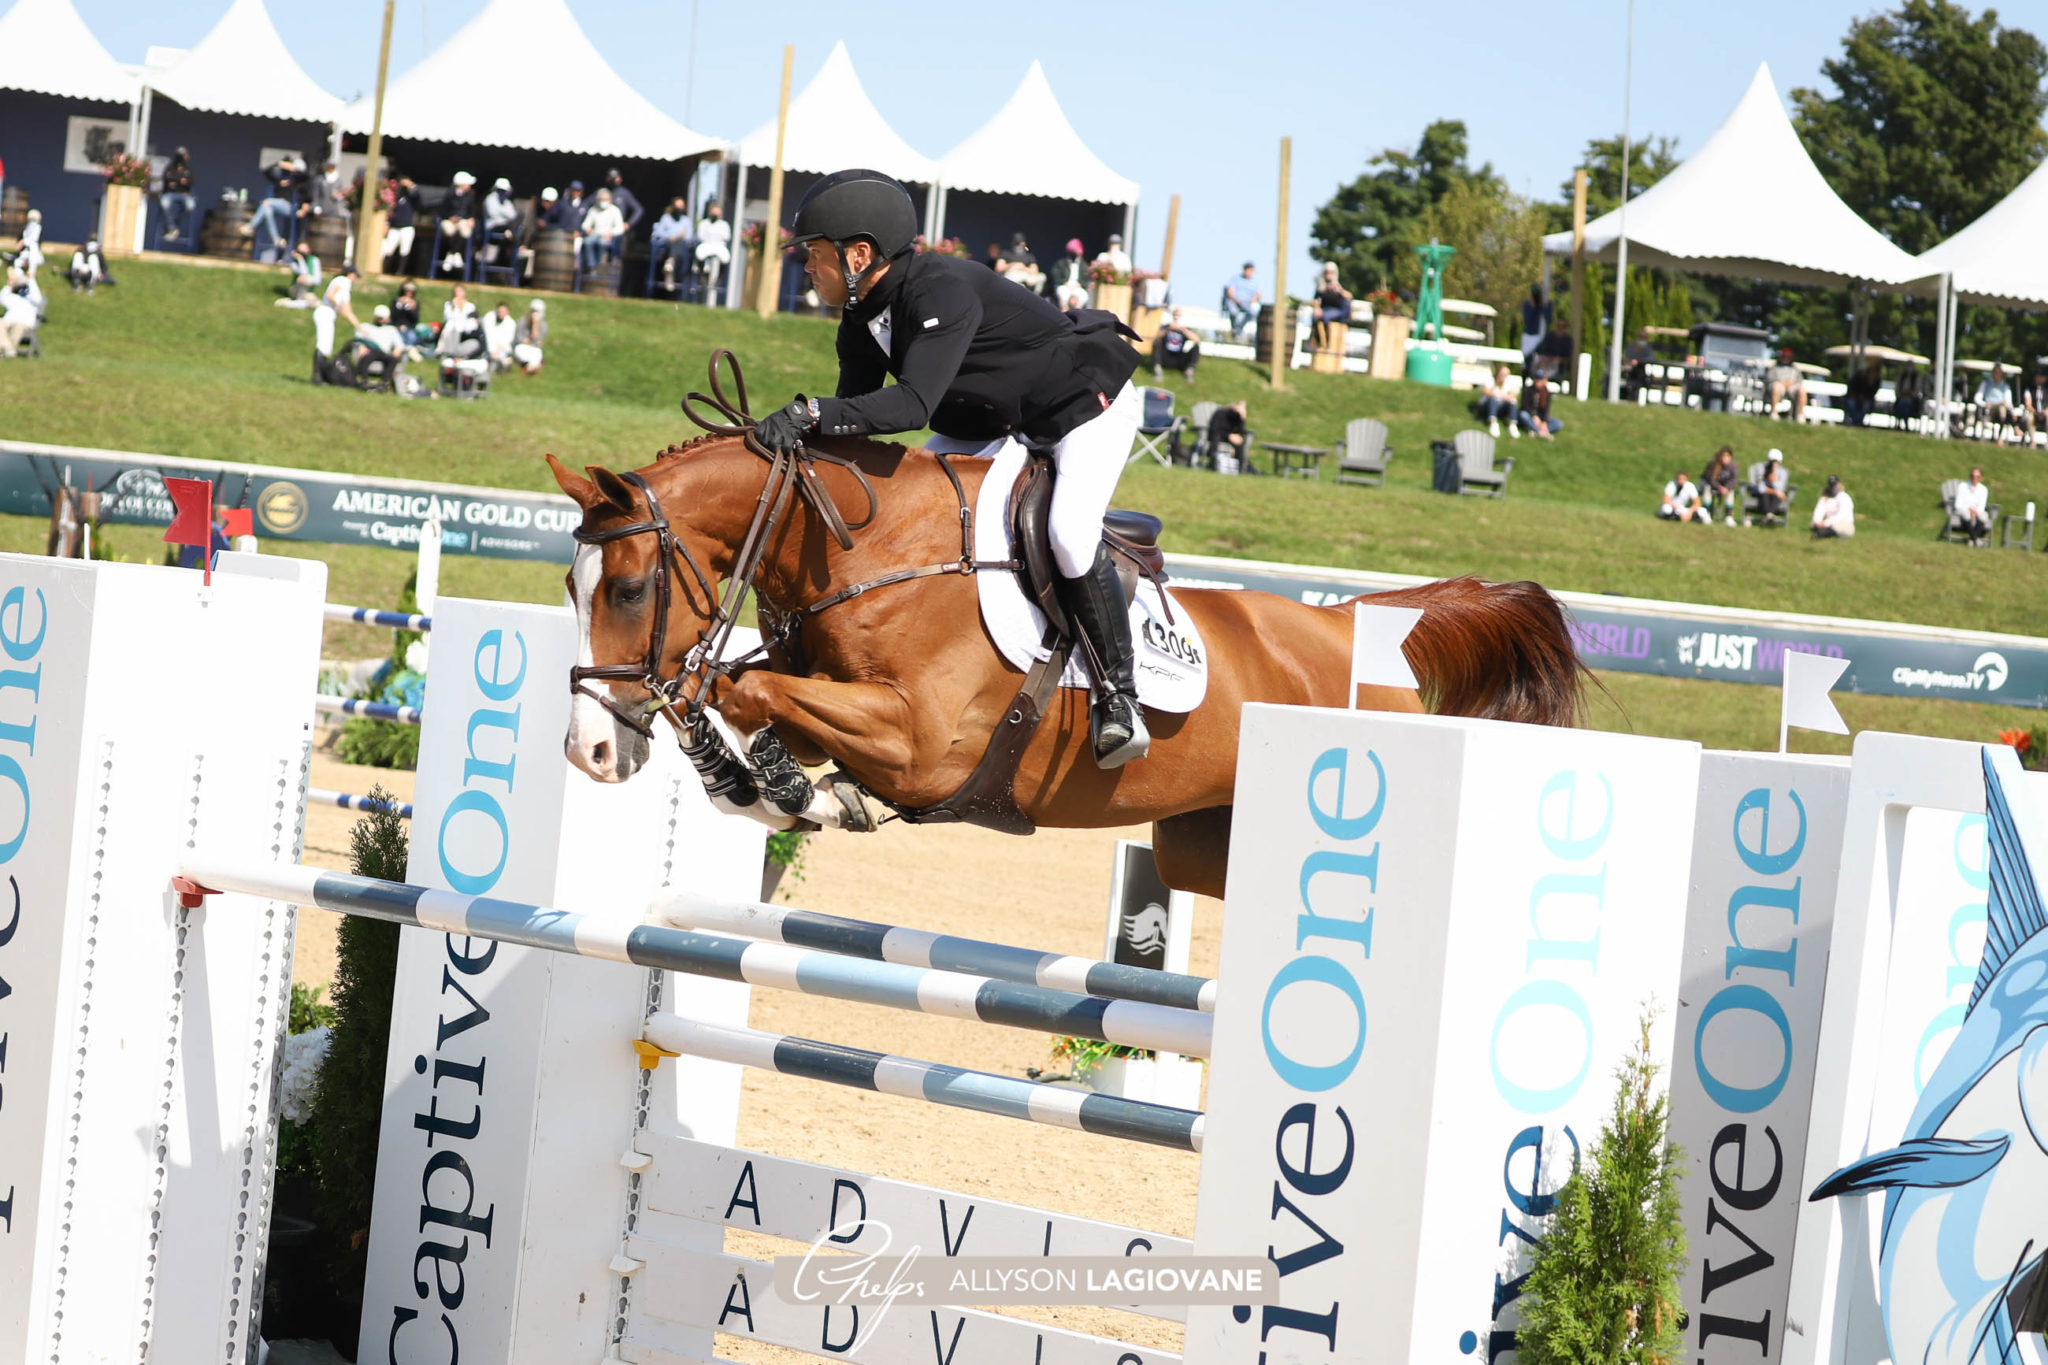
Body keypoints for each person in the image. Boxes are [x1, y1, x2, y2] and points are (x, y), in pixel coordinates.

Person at [750, 169, 1150, 767]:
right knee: (899, 512)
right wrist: (793, 445)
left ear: (859, 254)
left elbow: (911, 406)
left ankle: (1121, 699)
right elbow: (853, 420)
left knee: (1068, 533)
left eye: (814, 254)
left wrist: (810, 413)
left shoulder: (940, 291)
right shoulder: (860, 314)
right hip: (992, 417)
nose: (805, 266)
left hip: (1080, 405)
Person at [248, 154, 306, 259]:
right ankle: (276, 239)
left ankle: (251, 227)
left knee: (266, 202)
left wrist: (292, 168)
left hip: (289, 207)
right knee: (266, 209)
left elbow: (305, 175)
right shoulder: (279, 178)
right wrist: (278, 164)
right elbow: (265, 171)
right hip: (275, 206)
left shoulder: (294, 179)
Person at [312, 264, 359, 364]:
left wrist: (360, 327)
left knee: (327, 345)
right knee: (323, 344)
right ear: (350, 274)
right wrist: (337, 305)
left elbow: (348, 311)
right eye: (355, 275)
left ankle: (320, 372)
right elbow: (330, 295)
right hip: (326, 311)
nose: (355, 278)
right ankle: (317, 374)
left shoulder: (343, 284)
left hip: (328, 313)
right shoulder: (344, 280)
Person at [1975, 363, 2031, 445]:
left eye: (1999, 373)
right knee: (2003, 407)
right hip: (1990, 409)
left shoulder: (2005, 386)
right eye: (1996, 373)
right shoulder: (1986, 384)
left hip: (2002, 410)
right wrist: (1984, 404)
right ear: (1993, 373)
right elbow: (1977, 398)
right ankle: (2014, 428)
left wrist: (2011, 411)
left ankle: (2001, 437)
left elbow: (2009, 402)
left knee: (2003, 408)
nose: (1997, 375)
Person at [439, 171, 479, 273]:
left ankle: (453, 254)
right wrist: (450, 217)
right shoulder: (449, 194)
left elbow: (472, 211)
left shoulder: (470, 196)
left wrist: (471, 218)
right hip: (449, 220)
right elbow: (442, 210)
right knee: (449, 230)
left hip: (463, 220)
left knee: (465, 232)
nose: (469, 186)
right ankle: (454, 254)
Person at [694, 199, 732, 301]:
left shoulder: (724, 225)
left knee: (725, 257)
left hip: (719, 245)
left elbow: (727, 237)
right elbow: (701, 236)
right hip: (707, 244)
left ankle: (718, 279)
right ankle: (702, 276)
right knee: (700, 253)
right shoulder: (704, 223)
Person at [580, 187, 626, 271]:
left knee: (602, 243)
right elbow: (585, 224)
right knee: (587, 242)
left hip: (607, 236)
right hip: (595, 234)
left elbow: (620, 228)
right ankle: (592, 265)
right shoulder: (593, 210)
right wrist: (588, 228)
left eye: (606, 199)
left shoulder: (615, 210)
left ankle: (600, 265)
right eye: (602, 199)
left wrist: (611, 233)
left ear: (610, 199)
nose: (603, 201)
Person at [651, 197, 692, 291]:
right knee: (674, 242)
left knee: (680, 242)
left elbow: (689, 237)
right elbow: (658, 233)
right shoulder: (666, 218)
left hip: (681, 246)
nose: (679, 209)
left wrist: (681, 236)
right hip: (667, 244)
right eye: (677, 206)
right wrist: (669, 236)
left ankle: (670, 264)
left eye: (681, 206)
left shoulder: (686, 221)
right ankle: (671, 264)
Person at [1151, 306, 1200, 382]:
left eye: (1178, 316)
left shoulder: (1185, 329)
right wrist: (1168, 329)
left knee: (1196, 347)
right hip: (1166, 356)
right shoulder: (1166, 327)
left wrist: (1182, 329)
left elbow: (1197, 340)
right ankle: (1158, 370)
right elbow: (1156, 337)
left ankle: (1189, 372)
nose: (1176, 317)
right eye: (1175, 315)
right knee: (1157, 343)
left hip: (1179, 357)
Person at [383, 176, 421, 274]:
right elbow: (391, 212)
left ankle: (400, 272)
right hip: (395, 227)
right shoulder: (396, 198)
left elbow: (416, 196)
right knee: (389, 249)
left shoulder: (411, 198)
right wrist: (387, 223)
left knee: (404, 251)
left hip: (407, 227)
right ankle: (385, 271)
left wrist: (410, 185)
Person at [482, 177, 521, 270]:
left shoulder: (507, 202)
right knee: (510, 226)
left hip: (506, 226)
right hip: (493, 227)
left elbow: (513, 216)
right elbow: (493, 214)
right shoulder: (490, 199)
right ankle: (514, 237)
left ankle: (511, 234)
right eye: (501, 190)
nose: (503, 193)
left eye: (504, 191)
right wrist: (505, 215)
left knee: (519, 218)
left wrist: (503, 214)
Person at [159, 147, 195, 242]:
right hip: (170, 194)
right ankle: (172, 228)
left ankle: (173, 226)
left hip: (184, 194)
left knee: (190, 205)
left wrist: (177, 181)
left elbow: (190, 182)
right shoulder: (170, 168)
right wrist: (180, 181)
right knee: (165, 203)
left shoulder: (188, 170)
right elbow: (167, 180)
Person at [1311, 263, 1351, 348]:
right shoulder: (1321, 287)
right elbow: (1316, 300)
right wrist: (1317, 309)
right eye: (1326, 272)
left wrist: (1340, 290)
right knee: (1314, 316)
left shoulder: (1338, 286)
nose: (1328, 275)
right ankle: (1316, 340)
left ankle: (1326, 341)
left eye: (1330, 272)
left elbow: (1349, 296)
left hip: (1337, 310)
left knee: (1326, 316)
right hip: (1324, 309)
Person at [1206, 400, 1249, 472]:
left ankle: (1241, 468)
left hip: (1229, 438)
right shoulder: (1220, 413)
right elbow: (1215, 429)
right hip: (1217, 436)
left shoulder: (1237, 418)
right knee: (1216, 438)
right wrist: (1229, 436)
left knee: (1240, 442)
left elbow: (1240, 432)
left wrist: (1242, 419)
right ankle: (1212, 464)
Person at [1701, 446, 1740, 526]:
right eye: (1723, 456)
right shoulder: (1714, 464)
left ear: (1730, 457)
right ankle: (1706, 514)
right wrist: (1719, 487)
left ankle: (1728, 517)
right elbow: (1711, 479)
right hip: (1714, 487)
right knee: (1707, 489)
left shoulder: (1733, 466)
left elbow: (1734, 479)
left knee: (1731, 492)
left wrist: (1726, 488)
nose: (1725, 458)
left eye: (1727, 456)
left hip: (1726, 488)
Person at [1221, 262, 1260, 341]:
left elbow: (1258, 294)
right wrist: (1237, 300)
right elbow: (1229, 292)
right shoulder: (1236, 278)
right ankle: (1235, 328)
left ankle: (1238, 329)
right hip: (1234, 301)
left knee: (1253, 311)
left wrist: (1252, 300)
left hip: (1248, 303)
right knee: (1233, 312)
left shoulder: (1255, 281)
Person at [1474, 364, 1517, 437]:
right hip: (1486, 407)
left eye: (1506, 374)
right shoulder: (1491, 379)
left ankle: (1512, 425)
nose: (1504, 376)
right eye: (1502, 374)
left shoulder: (1508, 382)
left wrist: (1504, 396)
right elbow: (1486, 391)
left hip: (1501, 407)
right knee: (1492, 399)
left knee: (1513, 401)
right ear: (1498, 373)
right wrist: (1500, 394)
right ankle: (1493, 423)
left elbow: (1513, 395)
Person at [1953, 467, 1993, 545]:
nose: (1974, 478)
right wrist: (1969, 509)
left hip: (1977, 510)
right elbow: (1958, 504)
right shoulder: (1963, 486)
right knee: (1967, 515)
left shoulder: (1983, 489)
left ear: (1981, 478)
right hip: (1964, 509)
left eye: (1977, 477)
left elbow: (1982, 505)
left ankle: (1972, 540)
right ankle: (1976, 539)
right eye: (1973, 476)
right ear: (1970, 476)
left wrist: (1975, 512)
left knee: (1984, 516)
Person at [0, 274, 37, 357]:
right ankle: (8, 349)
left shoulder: (32, 299)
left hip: (23, 323)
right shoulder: (12, 297)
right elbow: (1, 298)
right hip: (8, 321)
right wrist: (8, 285)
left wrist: (31, 280)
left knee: (18, 326)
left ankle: (6, 351)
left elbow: (38, 297)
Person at [1766, 348, 1807, 421]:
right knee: (1777, 387)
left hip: (1792, 387)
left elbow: (1800, 381)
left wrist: (1792, 383)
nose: (1786, 358)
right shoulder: (1775, 367)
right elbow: (1769, 379)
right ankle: (1774, 413)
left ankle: (1801, 415)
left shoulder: (1795, 368)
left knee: (1801, 390)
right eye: (1784, 356)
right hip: (1779, 386)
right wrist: (1782, 383)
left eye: (1788, 357)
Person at [599, 168, 644, 235]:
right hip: (602, 229)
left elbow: (639, 209)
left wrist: (629, 224)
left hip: (618, 230)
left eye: (615, 178)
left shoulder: (623, 193)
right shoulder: (602, 191)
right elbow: (586, 204)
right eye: (611, 179)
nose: (614, 180)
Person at [1516, 372, 1562, 438]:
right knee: (1523, 415)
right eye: (1537, 379)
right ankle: (1540, 432)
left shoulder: (1547, 393)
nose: (1538, 381)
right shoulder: (1527, 390)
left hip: (1541, 417)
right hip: (1529, 415)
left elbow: (1546, 410)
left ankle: (1535, 430)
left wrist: (1544, 422)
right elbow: (1524, 406)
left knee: (1558, 423)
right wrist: (1534, 416)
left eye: (1540, 379)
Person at [1750, 452, 1789, 526]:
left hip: (1775, 496)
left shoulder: (1782, 472)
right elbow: (1761, 488)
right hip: (1762, 495)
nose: (1774, 465)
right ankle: (1770, 516)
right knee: (1765, 495)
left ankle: (1768, 516)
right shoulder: (1762, 469)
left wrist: (1774, 481)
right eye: (1772, 462)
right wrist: (1774, 491)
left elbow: (1781, 488)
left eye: (1776, 462)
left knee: (1776, 497)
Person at [1050, 239, 1090, 310]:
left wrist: (1080, 285)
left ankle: (1077, 314)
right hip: (1064, 286)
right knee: (1063, 293)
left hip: (1078, 287)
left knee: (1083, 295)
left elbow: (1087, 280)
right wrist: (1064, 283)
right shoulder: (1061, 263)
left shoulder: (1084, 265)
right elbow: (1055, 276)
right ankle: (1064, 313)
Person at [279, 240, 321, 305]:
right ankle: (295, 302)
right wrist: (300, 260)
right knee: (304, 279)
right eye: (300, 251)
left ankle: (289, 303)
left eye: (305, 250)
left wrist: (308, 279)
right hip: (295, 290)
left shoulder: (315, 260)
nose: (303, 253)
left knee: (316, 303)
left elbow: (318, 281)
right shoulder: (294, 263)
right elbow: (303, 273)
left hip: (308, 291)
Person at [1519, 285, 1550, 368]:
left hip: (1539, 336)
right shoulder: (1527, 304)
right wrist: (1532, 308)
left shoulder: (1543, 305)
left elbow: (1549, 319)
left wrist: (1543, 307)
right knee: (1526, 361)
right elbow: (1527, 321)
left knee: (1536, 360)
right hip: (1528, 335)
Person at [513, 299, 547, 374]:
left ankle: (529, 367)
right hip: (522, 346)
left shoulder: (543, 325)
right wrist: (524, 340)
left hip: (533, 348)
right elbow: (518, 338)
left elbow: (537, 341)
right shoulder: (522, 321)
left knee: (537, 353)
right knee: (520, 350)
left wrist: (535, 326)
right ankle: (533, 367)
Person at [481, 302, 518, 370]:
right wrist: (492, 350)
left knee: (502, 355)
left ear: (507, 312)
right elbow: (488, 335)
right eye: (499, 311)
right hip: (488, 346)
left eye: (503, 312)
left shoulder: (511, 323)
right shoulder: (489, 317)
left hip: (501, 349)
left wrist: (497, 351)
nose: (501, 314)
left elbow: (507, 340)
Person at [1621, 327, 1653, 399]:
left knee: (1641, 371)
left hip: (1641, 370)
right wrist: (1632, 361)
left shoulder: (1647, 348)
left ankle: (1636, 395)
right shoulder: (1632, 346)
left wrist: (1638, 361)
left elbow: (1650, 358)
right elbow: (1627, 356)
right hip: (1630, 369)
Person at [15, 208, 44, 275]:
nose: (32, 222)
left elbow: (33, 239)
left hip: (33, 253)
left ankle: (30, 273)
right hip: (25, 253)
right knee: (18, 263)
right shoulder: (26, 228)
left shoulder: (37, 228)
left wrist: (22, 242)